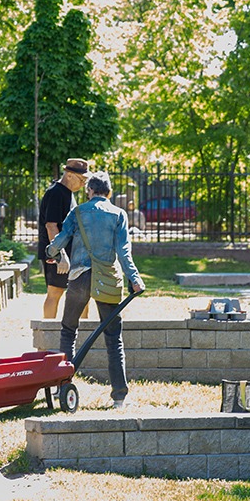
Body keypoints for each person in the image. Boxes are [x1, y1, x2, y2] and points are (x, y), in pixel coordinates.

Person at [46, 171, 145, 408]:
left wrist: (51, 253)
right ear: (109, 192)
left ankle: (63, 388)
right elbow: (124, 252)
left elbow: (61, 239)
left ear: (89, 191)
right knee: (113, 338)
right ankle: (119, 397)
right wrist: (135, 278)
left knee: (68, 331)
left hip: (80, 278)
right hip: (107, 281)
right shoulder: (119, 214)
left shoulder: (78, 211)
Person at [38, 159, 89, 318]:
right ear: (69, 175)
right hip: (58, 255)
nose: (83, 184)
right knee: (55, 293)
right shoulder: (55, 193)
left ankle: (83, 336)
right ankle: (48, 335)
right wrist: (61, 256)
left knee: (83, 295)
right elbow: (51, 226)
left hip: (73, 253)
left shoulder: (68, 193)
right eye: (81, 180)